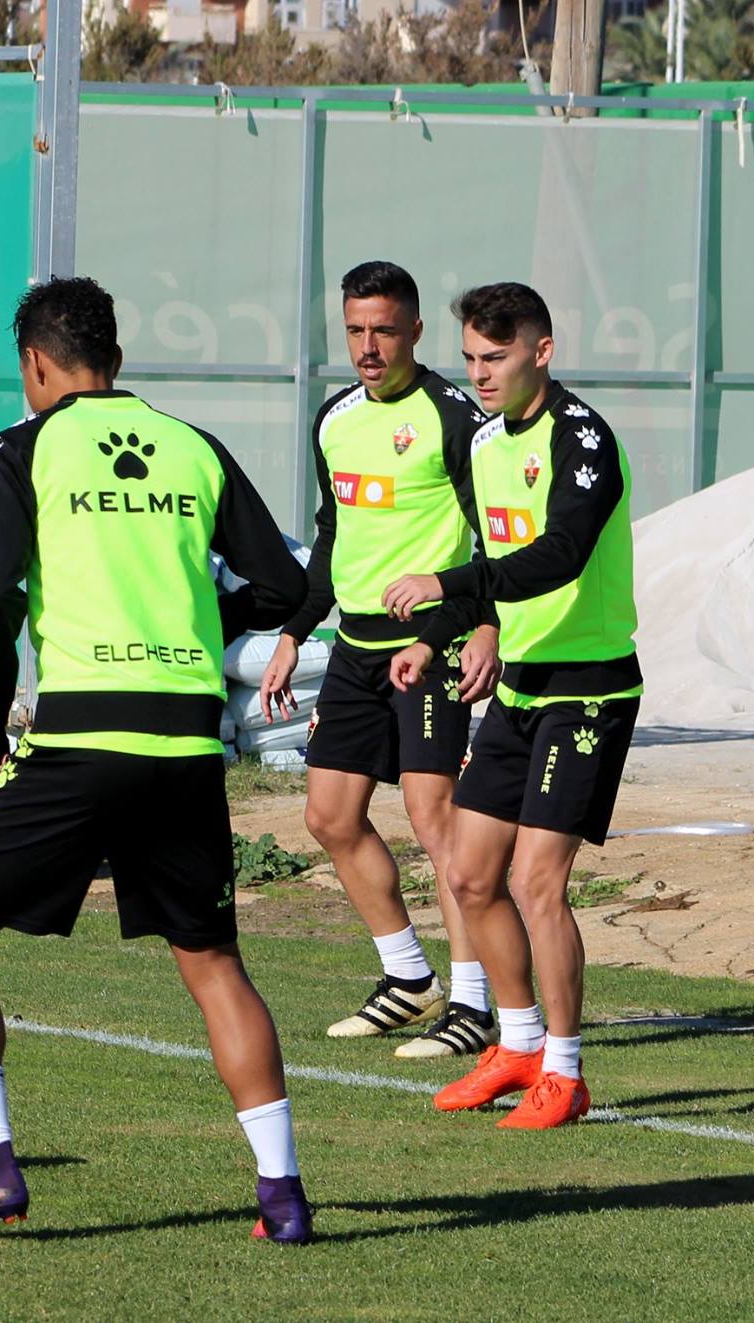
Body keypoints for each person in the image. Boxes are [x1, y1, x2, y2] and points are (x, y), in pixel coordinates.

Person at [0, 276, 313, 1242]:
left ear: (36, 366)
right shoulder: (193, 447)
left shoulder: (21, 447)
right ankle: (284, 1195)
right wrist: (199, 621)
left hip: (82, 734)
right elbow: (289, 584)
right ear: (116, 361)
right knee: (215, 962)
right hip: (185, 740)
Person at [383, 282, 640, 1129]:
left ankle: (564, 1073)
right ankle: (518, 1044)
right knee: (466, 871)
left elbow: (560, 556)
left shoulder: (584, 438)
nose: (480, 373)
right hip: (523, 684)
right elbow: (497, 565)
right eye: (470, 357)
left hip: (588, 689)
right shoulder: (488, 442)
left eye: (496, 356)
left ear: (542, 350)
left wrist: (446, 584)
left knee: (537, 881)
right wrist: (441, 631)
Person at [259, 261, 501, 1058]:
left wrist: (483, 625)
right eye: (356, 329)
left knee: (437, 821)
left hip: (429, 645)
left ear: (416, 332)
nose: (368, 345)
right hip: (356, 648)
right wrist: (296, 630)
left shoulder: (453, 415)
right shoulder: (334, 419)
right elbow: (334, 535)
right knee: (327, 815)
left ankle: (472, 1003)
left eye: (384, 330)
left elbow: (496, 539)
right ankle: (408, 977)